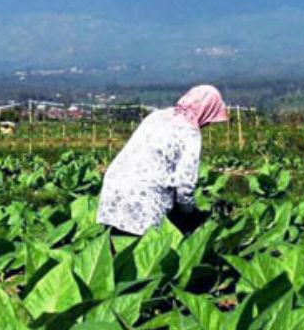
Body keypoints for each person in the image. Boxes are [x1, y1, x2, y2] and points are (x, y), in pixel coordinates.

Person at [97, 85, 229, 238]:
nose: (208, 124)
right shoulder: (190, 132)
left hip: (114, 186)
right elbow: (184, 184)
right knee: (143, 251)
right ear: (207, 110)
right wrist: (190, 214)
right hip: (143, 196)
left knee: (114, 248)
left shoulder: (157, 116)